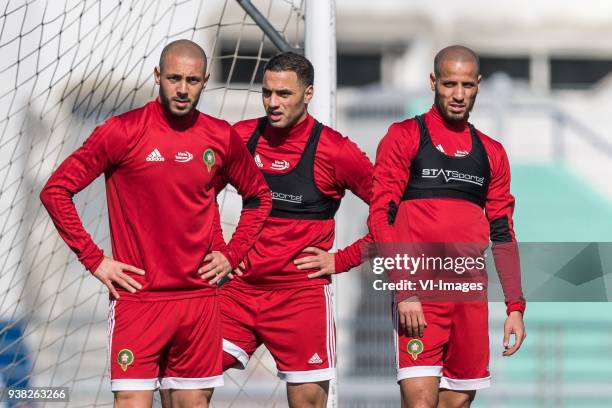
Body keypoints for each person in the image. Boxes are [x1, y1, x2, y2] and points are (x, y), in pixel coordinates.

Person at [39, 39, 271, 408]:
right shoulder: (121, 131)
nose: (182, 89)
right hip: (137, 300)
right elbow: (56, 191)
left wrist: (232, 253)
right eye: (174, 78)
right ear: (157, 76)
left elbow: (259, 197)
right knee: (131, 402)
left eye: (192, 80)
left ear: (205, 80)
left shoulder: (220, 136)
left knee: (191, 404)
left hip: (198, 301)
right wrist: (95, 260)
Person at [368, 45, 526, 408]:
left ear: (478, 85)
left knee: (455, 403)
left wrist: (515, 306)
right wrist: (404, 289)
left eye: (467, 85)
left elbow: (503, 232)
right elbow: (381, 216)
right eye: (449, 83)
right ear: (433, 82)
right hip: (420, 292)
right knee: (419, 401)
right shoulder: (404, 136)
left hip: (469, 294)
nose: (458, 94)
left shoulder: (492, 152)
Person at [217, 52, 373, 408]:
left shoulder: (336, 151)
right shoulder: (241, 138)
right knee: (186, 383)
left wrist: (343, 259)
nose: (273, 103)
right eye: (267, 92)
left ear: (307, 94)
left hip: (299, 298)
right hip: (239, 292)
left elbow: (392, 214)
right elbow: (198, 194)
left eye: (283, 94)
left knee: (307, 403)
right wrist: (222, 250)